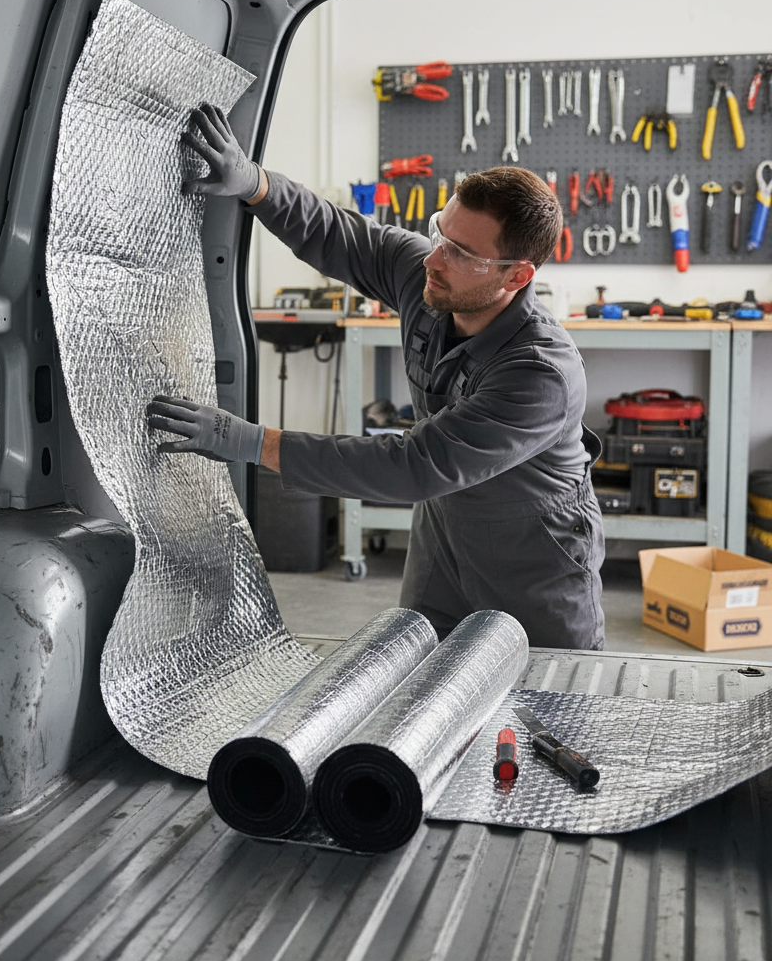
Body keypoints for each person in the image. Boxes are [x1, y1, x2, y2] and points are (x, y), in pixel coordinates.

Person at [147, 103, 605, 650]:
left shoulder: (539, 373)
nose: (436, 258)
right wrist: (257, 186)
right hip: (443, 534)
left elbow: (412, 466)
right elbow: (340, 235)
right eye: (440, 232)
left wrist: (247, 440)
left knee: (545, 708)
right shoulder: (432, 277)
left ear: (517, 275)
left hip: (533, 556)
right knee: (424, 685)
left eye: (462, 253)